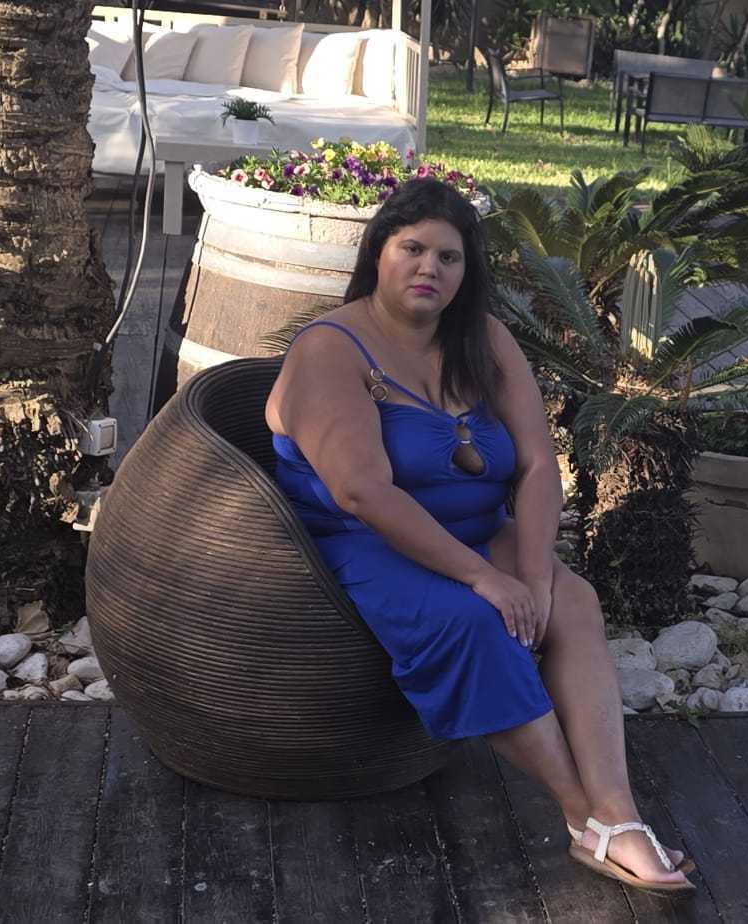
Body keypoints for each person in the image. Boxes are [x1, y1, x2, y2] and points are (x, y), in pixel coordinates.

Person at [266, 178, 695, 895]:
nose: (429, 268)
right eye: (412, 249)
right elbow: (361, 491)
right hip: (363, 541)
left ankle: (619, 807)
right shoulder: (330, 348)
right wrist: (486, 579)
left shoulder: (483, 339)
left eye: (449, 257)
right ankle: (587, 818)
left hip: (476, 530)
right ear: (378, 253)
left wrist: (535, 574)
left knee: (575, 602)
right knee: (474, 622)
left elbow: (536, 466)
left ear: (468, 271)